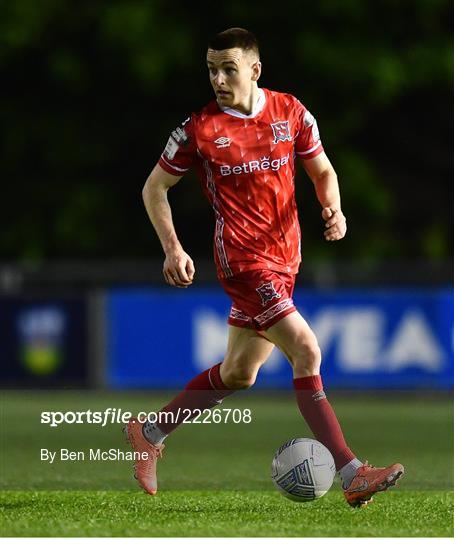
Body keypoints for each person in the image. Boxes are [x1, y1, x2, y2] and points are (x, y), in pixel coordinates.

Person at [125, 27, 404, 507]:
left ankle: (150, 432)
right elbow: (154, 189)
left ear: (254, 70)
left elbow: (322, 171)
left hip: (285, 261)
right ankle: (352, 472)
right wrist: (173, 248)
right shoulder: (199, 129)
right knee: (307, 352)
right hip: (244, 264)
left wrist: (333, 208)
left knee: (239, 374)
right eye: (211, 68)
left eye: (228, 68)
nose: (217, 78)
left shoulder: (290, 112)